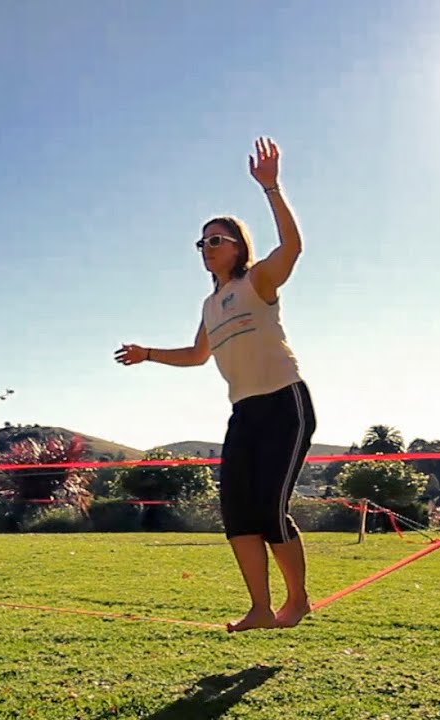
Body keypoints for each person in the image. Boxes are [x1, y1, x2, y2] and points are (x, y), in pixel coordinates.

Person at [115, 137, 316, 632]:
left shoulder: (258, 282)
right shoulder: (210, 306)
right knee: (237, 514)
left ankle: (298, 601)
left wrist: (271, 187)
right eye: (201, 242)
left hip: (284, 404)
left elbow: (292, 247)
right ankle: (260, 608)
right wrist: (148, 355)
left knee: (270, 507)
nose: (206, 249)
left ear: (237, 246)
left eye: (215, 240)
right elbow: (197, 355)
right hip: (244, 412)